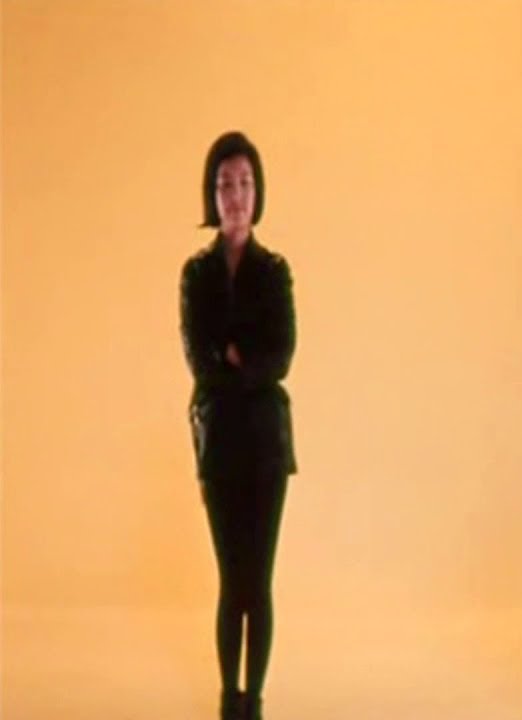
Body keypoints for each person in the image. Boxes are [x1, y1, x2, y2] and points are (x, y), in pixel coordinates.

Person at [180, 131, 297, 720]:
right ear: (212, 193)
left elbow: (282, 356)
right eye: (225, 184)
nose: (236, 196)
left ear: (259, 192)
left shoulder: (273, 271)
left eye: (245, 183)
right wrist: (237, 361)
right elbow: (199, 359)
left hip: (267, 446)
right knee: (232, 581)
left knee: (260, 581)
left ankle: (256, 699)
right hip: (220, 442)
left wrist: (237, 360)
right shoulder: (196, 274)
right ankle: (230, 699)